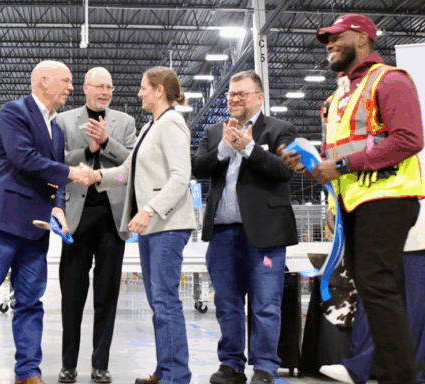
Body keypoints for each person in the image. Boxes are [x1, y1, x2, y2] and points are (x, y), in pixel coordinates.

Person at [281, 13, 424, 384]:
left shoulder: (390, 80)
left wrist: (341, 166)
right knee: (373, 289)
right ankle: (389, 372)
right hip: (354, 203)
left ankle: (400, 376)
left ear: (362, 40)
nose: (328, 43)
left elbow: (409, 139)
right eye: (326, 38)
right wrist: (310, 167)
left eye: (336, 37)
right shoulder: (337, 98)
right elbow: (335, 162)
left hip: (388, 197)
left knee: (377, 285)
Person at [0, 60, 92, 384]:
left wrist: (59, 207)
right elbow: (24, 159)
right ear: (43, 81)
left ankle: (28, 371)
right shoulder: (13, 112)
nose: (71, 87)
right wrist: (72, 172)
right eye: (66, 80)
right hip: (2, 222)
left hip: (36, 228)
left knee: (30, 302)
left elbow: (54, 179)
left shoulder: (57, 129)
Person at [89, 66, 196, 384]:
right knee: (158, 302)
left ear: (159, 91)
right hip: (154, 228)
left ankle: (177, 375)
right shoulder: (153, 126)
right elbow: (126, 170)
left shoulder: (172, 122)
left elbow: (180, 177)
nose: (139, 93)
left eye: (143, 88)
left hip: (167, 224)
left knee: (165, 301)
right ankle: (166, 370)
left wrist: (149, 209)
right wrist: (96, 176)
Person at [193, 69, 298, 384]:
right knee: (227, 303)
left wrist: (249, 149)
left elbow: (285, 171)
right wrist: (225, 149)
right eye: (231, 94)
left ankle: (265, 366)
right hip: (223, 234)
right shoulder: (214, 133)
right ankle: (231, 364)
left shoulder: (281, 130)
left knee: (266, 303)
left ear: (259, 97)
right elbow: (198, 167)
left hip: (265, 237)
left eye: (241, 93)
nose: (234, 99)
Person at [54, 67, 137, 384]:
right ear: (85, 88)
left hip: (112, 220)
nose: (105, 92)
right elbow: (56, 161)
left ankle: (100, 364)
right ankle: (68, 365)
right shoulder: (64, 120)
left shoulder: (125, 123)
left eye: (110, 87)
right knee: (71, 296)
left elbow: (132, 162)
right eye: (99, 86)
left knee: (107, 296)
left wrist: (106, 142)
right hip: (76, 220)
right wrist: (87, 150)